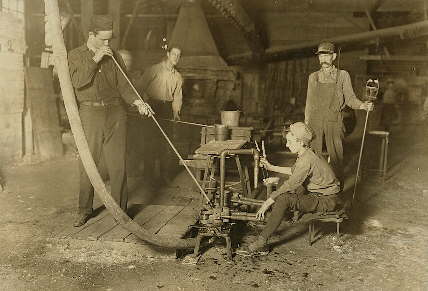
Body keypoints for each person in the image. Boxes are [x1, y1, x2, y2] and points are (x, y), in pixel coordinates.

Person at [68, 15, 153, 227]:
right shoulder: (76, 55)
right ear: (91, 35)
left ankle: (120, 211)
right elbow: (78, 82)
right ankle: (84, 209)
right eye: (103, 40)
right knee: (88, 162)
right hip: (90, 114)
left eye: (109, 40)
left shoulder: (114, 56)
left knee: (118, 164)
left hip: (116, 112)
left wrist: (138, 102)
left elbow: (125, 85)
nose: (108, 44)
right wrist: (95, 59)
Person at [238, 122, 342, 255]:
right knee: (284, 186)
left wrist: (267, 202)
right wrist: (272, 168)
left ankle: (261, 243)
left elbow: (292, 183)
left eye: (290, 142)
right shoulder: (307, 153)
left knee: (283, 198)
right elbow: (295, 171)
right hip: (321, 194)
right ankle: (276, 218)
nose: (287, 145)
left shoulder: (306, 160)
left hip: (326, 200)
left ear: (301, 142)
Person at [305, 41, 373, 180]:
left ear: (334, 56)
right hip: (315, 120)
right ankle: (313, 183)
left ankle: (335, 184)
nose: (323, 59)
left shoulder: (343, 75)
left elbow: (350, 98)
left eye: (327, 55)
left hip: (334, 119)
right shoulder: (313, 77)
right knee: (312, 153)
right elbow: (309, 102)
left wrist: (363, 105)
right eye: (321, 56)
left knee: (336, 155)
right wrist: (306, 123)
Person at [137, 45, 183, 184]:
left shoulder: (178, 76)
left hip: (167, 109)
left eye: (179, 55)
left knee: (165, 143)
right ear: (168, 54)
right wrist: (143, 104)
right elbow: (140, 86)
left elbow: (177, 97)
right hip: (152, 106)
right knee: (150, 142)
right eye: (174, 54)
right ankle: (148, 177)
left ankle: (164, 176)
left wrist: (176, 112)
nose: (176, 58)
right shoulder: (155, 69)